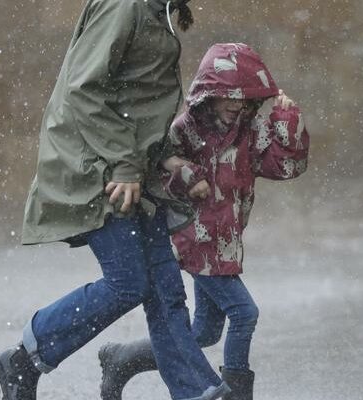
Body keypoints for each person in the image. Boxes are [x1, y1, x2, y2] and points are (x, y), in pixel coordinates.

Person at [0, 1, 231, 399]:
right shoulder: (126, 5)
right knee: (129, 283)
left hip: (131, 168)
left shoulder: (155, 8)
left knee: (163, 290)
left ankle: (197, 392)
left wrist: (161, 152)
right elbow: (84, 90)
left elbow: (137, 96)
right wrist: (123, 163)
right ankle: (24, 358)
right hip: (98, 168)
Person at [97, 43, 310, 400]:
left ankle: (123, 357)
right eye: (229, 96)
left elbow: (285, 167)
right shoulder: (186, 129)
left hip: (225, 242)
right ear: (209, 94)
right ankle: (235, 393)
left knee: (204, 332)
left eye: (245, 98)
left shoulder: (248, 132)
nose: (237, 104)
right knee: (244, 314)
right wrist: (189, 176)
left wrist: (286, 121)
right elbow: (159, 169)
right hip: (194, 239)